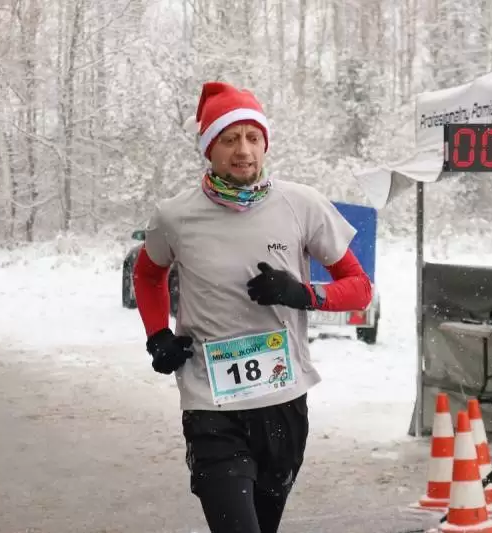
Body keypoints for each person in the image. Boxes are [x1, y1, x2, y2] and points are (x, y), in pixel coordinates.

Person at [132, 81, 373, 533]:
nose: (243, 150)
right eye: (229, 139)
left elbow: (360, 288)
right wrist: (157, 334)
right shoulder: (175, 216)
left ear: (265, 144)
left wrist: (303, 294)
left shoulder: (301, 204)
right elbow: (147, 274)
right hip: (211, 404)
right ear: (209, 148)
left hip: (282, 402)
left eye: (252, 137)